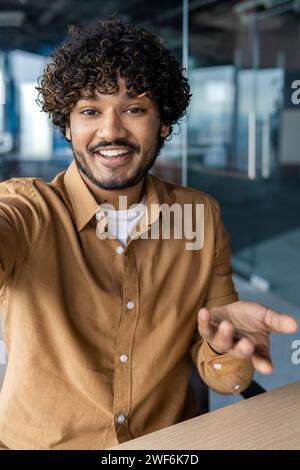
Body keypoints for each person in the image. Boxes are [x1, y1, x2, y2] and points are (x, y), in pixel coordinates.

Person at [0, 17, 297, 450]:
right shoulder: (31, 210)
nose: (111, 131)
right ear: (66, 127)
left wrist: (225, 349)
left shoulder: (200, 215)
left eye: (134, 108)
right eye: (89, 111)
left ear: (163, 124)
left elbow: (220, 364)